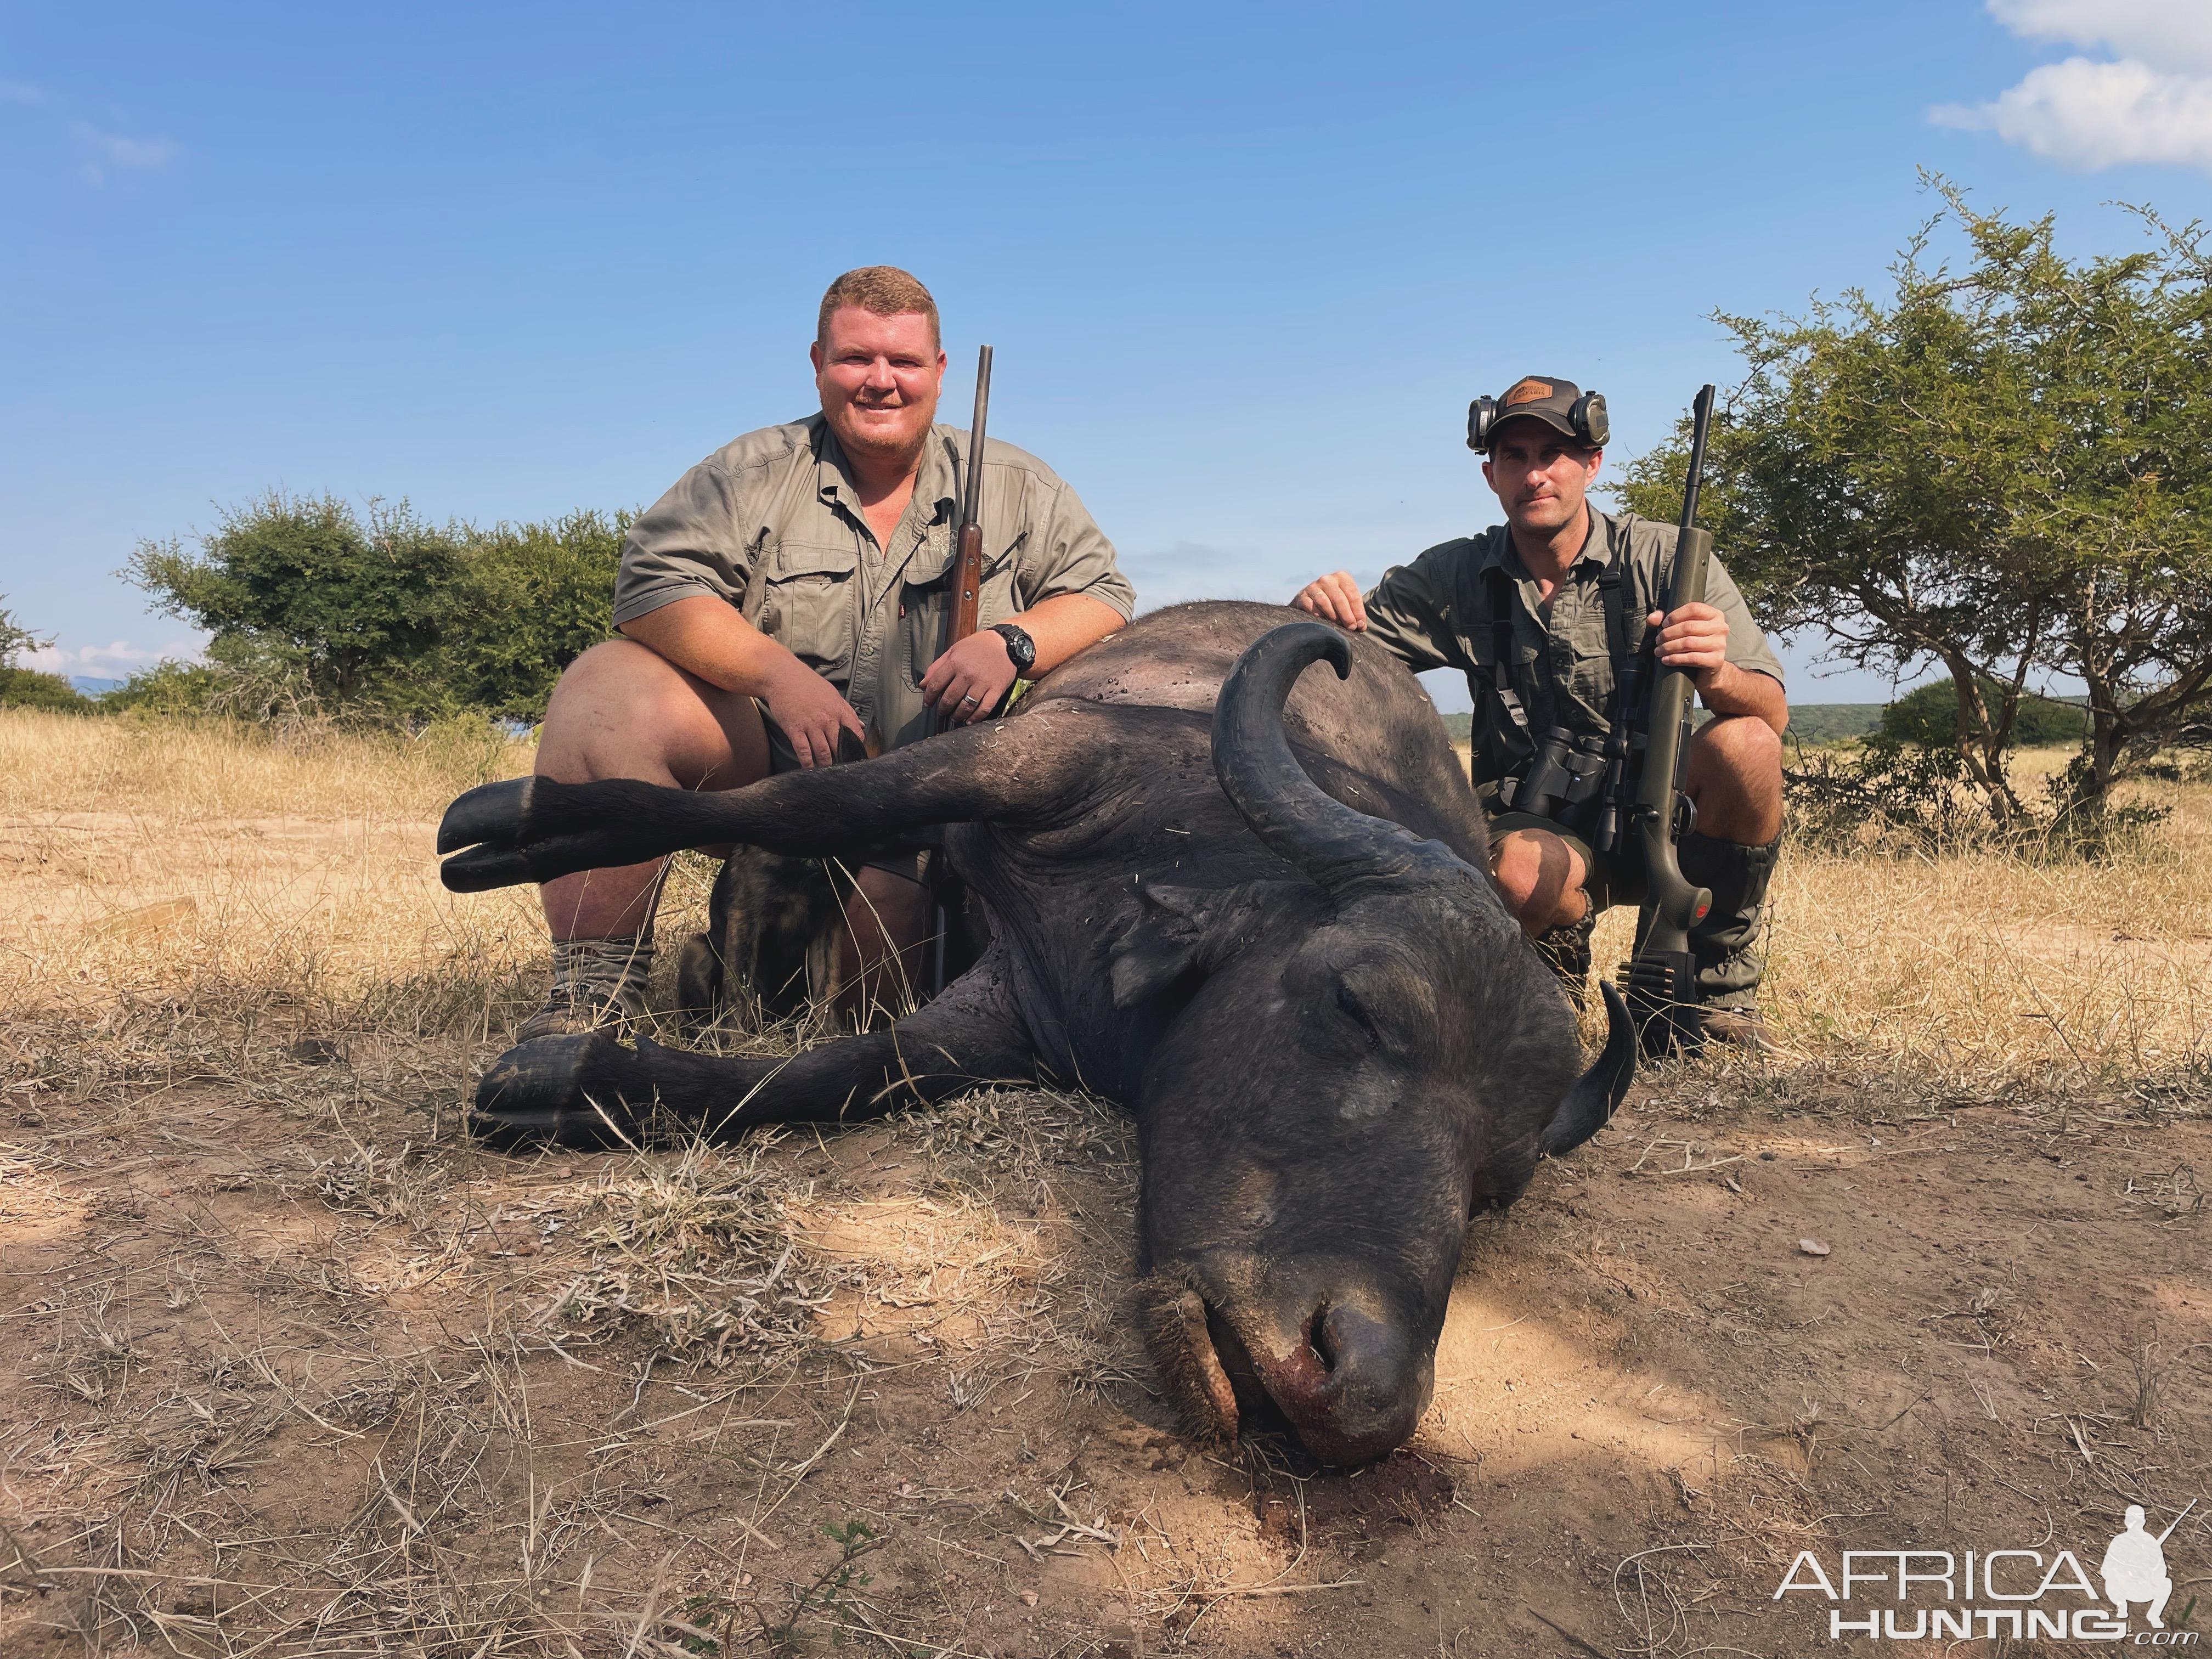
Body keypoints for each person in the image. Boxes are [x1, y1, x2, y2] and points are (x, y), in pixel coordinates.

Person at [520, 266, 1134, 1040]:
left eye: (904, 363)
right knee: (605, 685)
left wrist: (1012, 642)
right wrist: (776, 677)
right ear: (818, 364)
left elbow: (1104, 596)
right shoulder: (748, 474)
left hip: (947, 808)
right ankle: (588, 1006)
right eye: (855, 360)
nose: (880, 381)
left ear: (939, 373)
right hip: (778, 788)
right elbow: (652, 587)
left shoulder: (1022, 485)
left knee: (883, 1001)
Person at [1291, 375, 1788, 1048]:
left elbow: (1772, 711)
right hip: (1535, 820)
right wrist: (1309, 615)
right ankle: (1550, 972)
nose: (1534, 475)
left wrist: (1718, 673)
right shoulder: (1451, 575)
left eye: (1552, 454)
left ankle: (1711, 989)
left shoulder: (1667, 557)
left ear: (1592, 464)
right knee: (1523, 876)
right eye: (1515, 457)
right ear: (1490, 473)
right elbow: (1329, 659)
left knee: (1748, 747)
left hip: (1663, 811)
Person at [2101, 1505, 2174, 1628]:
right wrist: (2125, 1572)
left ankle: (2154, 1615)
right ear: (2126, 1522)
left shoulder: (2151, 1542)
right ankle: (2122, 1605)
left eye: (2137, 1521)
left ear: (2143, 1522)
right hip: (2123, 1589)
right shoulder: (2119, 1541)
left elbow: (2162, 1570)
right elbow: (2106, 1570)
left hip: (2144, 1589)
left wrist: (2149, 1572)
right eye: (2132, 1521)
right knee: (2111, 1582)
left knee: (2166, 1583)